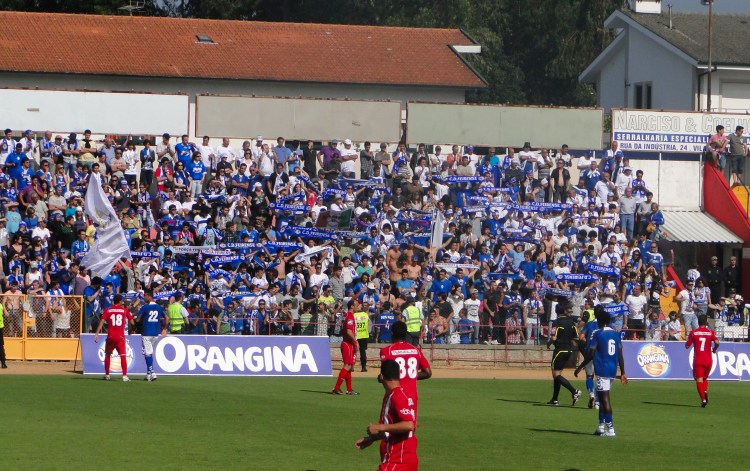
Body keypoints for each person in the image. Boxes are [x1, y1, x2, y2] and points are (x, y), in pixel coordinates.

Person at [355, 359, 418, 471]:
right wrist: (372, 438)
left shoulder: (397, 396)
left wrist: (379, 427)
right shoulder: (398, 394)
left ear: (382, 377)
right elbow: (396, 430)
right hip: (404, 459)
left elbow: (409, 425)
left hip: (398, 461)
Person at [574, 307, 627, 437]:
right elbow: (620, 354)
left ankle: (611, 429)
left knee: (605, 399)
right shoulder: (616, 334)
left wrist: (580, 366)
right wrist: (623, 372)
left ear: (600, 322)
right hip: (612, 369)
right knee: (602, 399)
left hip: (602, 369)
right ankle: (601, 427)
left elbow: (591, 353)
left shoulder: (598, 334)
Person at [379, 321, 432, 418]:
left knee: (389, 428)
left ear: (392, 333)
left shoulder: (387, 351)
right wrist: (410, 375)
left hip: (394, 395)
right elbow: (428, 373)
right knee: (409, 427)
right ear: (406, 333)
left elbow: (384, 376)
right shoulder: (416, 350)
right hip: (411, 396)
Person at [546, 303, 582, 406]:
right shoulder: (571, 322)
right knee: (558, 375)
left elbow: (553, 338)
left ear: (557, 312)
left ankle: (574, 391)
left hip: (559, 350)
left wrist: (548, 344)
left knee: (556, 375)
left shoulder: (557, 322)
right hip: (568, 351)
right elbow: (576, 337)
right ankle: (554, 399)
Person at [94, 294, 134, 382]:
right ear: (119, 301)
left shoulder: (108, 310)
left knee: (108, 355)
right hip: (120, 336)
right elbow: (132, 321)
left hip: (111, 336)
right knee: (123, 356)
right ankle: (124, 376)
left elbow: (102, 321)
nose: (123, 302)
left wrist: (97, 333)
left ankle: (107, 375)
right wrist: (133, 330)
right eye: (122, 300)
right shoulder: (124, 310)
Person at [685, 315, 719, 408]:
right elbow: (717, 342)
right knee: (704, 378)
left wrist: (689, 342)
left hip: (698, 359)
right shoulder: (710, 332)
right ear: (706, 322)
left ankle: (703, 399)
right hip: (708, 360)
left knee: (699, 379)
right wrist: (715, 349)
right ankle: (704, 391)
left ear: (698, 322)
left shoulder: (693, 332)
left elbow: (687, 346)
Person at [136, 289, 166, 381]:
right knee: (148, 352)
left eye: (145, 295)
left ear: (149, 296)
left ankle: (152, 372)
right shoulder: (159, 307)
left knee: (147, 353)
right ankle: (148, 374)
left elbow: (137, 319)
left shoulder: (145, 307)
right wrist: (164, 328)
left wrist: (137, 319)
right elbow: (167, 317)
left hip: (146, 333)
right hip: (155, 334)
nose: (144, 297)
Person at [332, 299, 359, 395]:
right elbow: (348, 331)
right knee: (347, 365)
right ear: (352, 306)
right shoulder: (350, 316)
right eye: (356, 305)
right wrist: (355, 341)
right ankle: (336, 387)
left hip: (348, 343)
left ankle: (349, 389)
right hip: (348, 343)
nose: (358, 307)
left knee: (349, 366)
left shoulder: (347, 315)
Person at [578, 309, 599, 409]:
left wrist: (588, 341)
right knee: (600, 378)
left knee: (589, 376)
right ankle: (598, 403)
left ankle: (591, 394)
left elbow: (581, 337)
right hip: (600, 354)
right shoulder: (605, 326)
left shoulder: (589, 324)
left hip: (589, 353)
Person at [353, 299, 370, 372]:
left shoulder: (354, 315)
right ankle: (363, 367)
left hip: (355, 335)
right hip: (363, 335)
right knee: (363, 352)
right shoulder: (366, 315)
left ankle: (351, 367)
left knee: (354, 352)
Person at [0, 300, 6, 368]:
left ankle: (3, 363)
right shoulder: (1, 306)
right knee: (1, 346)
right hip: (0, 327)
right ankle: (3, 363)